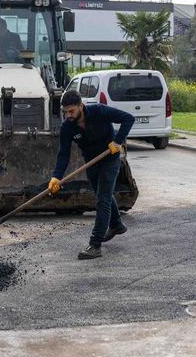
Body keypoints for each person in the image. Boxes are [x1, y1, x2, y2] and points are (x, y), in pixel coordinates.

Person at [49, 90, 134, 260]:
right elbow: (63, 154)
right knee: (104, 195)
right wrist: (56, 176)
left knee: (102, 199)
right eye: (65, 112)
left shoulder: (99, 111)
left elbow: (128, 118)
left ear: (81, 106)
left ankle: (95, 245)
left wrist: (117, 142)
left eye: (71, 111)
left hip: (109, 159)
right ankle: (116, 225)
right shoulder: (67, 127)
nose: (68, 115)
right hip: (92, 162)